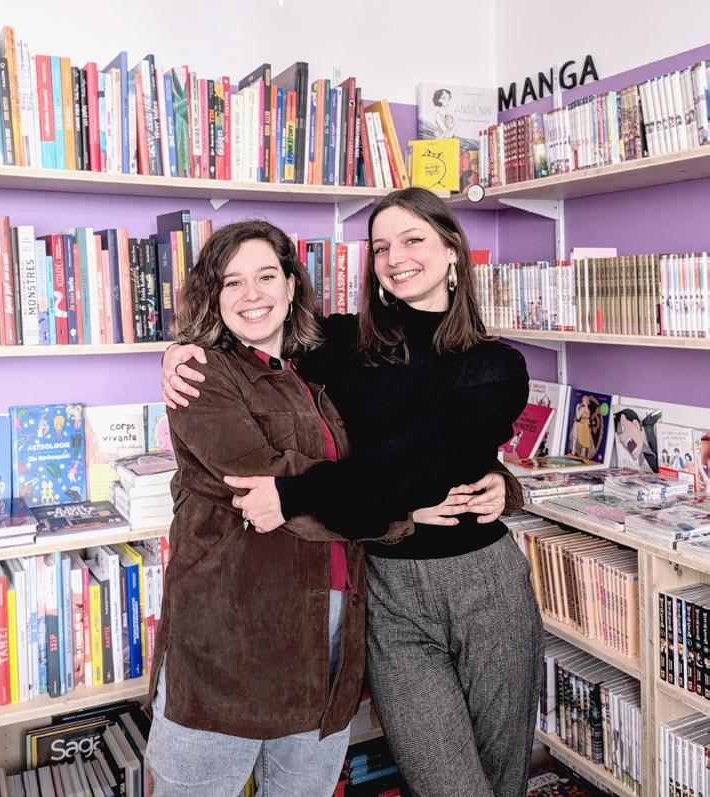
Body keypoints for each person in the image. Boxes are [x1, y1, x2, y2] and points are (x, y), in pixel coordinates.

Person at [161, 188, 541, 796]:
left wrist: (501, 481)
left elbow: (421, 460)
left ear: (452, 250)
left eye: (413, 240)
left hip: (483, 584)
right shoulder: (339, 344)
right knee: (444, 782)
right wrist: (181, 348)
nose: (396, 258)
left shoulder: (496, 365)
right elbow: (253, 339)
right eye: (381, 247)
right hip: (385, 586)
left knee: (500, 774)